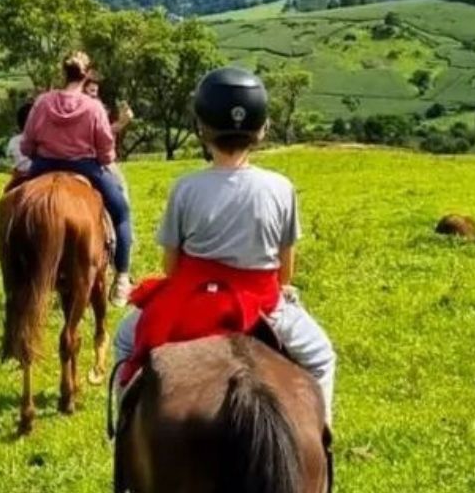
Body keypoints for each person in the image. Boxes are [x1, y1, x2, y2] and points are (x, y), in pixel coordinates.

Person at [111, 67, 336, 423]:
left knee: (124, 341)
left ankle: (124, 436)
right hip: (261, 303)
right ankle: (320, 436)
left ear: (202, 129)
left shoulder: (184, 187)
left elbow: (170, 268)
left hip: (190, 300)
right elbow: (285, 270)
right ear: (261, 130)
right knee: (322, 355)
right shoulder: (281, 187)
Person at [22, 52, 134, 306]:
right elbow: (106, 151)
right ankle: (122, 279)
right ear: (86, 76)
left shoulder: (42, 102)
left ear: (64, 74)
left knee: (13, 204)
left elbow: (27, 144)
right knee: (122, 213)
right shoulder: (93, 107)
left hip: (43, 166)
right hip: (86, 168)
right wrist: (103, 157)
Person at [83, 75, 133, 202]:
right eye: (92, 91)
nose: (94, 95)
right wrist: (122, 122)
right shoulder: (93, 107)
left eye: (96, 91)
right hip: (92, 160)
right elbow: (102, 134)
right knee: (121, 187)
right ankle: (125, 221)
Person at [4, 101, 34, 190]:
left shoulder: (13, 141)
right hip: (41, 172)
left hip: (20, 175)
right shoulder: (42, 138)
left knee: (6, 194)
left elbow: (11, 157)